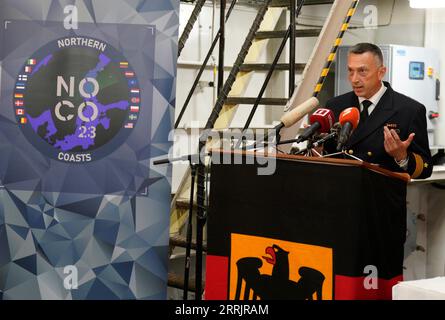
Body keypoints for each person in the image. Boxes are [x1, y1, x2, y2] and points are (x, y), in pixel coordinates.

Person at [325, 42, 432, 179]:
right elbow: (328, 155)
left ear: (381, 72)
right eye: (350, 71)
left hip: (380, 196)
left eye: (362, 71)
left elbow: (426, 169)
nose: (354, 79)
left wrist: (402, 157)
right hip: (342, 195)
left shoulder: (409, 110)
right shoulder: (335, 105)